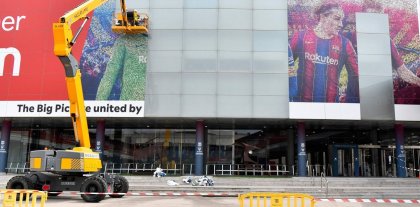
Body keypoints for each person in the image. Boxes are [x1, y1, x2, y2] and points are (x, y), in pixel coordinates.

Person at [289, 3, 359, 103]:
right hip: (302, 105)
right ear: (322, 17)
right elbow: (286, 66)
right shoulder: (301, 37)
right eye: (336, 18)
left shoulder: (345, 43)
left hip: (331, 108)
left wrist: (350, 100)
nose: (341, 24)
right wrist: (289, 93)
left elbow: (356, 75)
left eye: (341, 20)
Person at [95, 33, 148, 100]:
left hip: (132, 102)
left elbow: (109, 76)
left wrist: (98, 103)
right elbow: (109, 76)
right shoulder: (124, 40)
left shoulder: (123, 40)